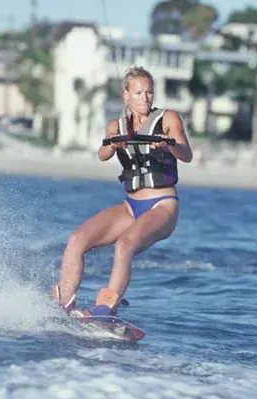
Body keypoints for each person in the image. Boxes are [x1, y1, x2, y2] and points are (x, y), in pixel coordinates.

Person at [51, 65, 193, 317]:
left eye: (149, 93)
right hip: (130, 206)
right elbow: (102, 154)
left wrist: (169, 145)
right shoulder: (116, 126)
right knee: (76, 240)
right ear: (126, 95)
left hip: (163, 205)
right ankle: (63, 306)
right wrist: (114, 143)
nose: (145, 98)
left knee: (124, 243)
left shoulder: (168, 118)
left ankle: (105, 309)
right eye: (138, 93)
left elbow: (187, 154)